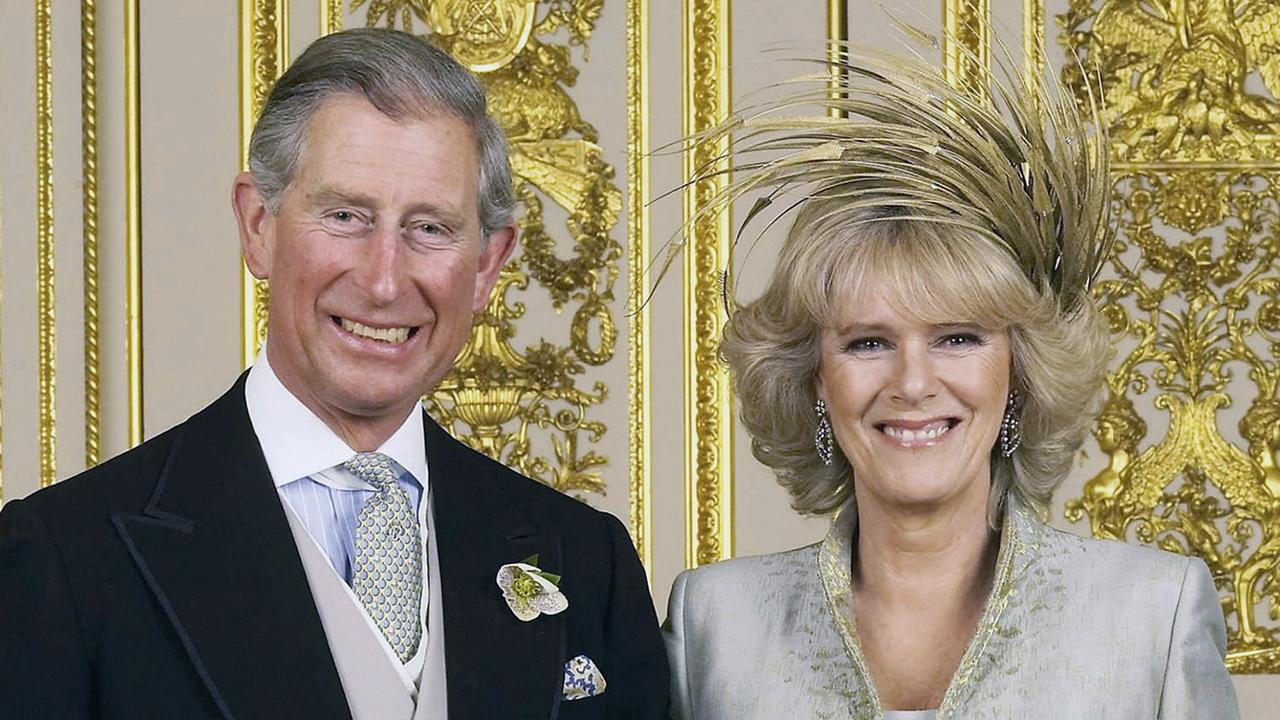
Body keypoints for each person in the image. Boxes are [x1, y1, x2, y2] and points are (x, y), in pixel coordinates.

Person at [0, 28, 667, 720]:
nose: (384, 281)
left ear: (486, 265)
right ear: (259, 224)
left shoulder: (590, 563)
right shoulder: (64, 558)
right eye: (346, 216)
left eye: (430, 228)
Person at [662, 32, 1240, 720]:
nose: (912, 383)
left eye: (957, 338)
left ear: (1020, 371)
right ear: (816, 378)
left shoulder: (1153, 614)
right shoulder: (715, 625)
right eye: (869, 342)